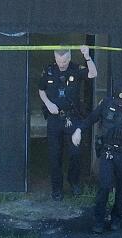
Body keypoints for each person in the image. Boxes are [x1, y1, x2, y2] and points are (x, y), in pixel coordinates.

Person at [71, 84, 122, 233]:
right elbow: (91, 119)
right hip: (108, 152)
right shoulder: (105, 104)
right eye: (118, 102)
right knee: (104, 186)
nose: (120, 105)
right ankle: (99, 220)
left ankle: (116, 219)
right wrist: (78, 130)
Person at [37, 46, 97, 201]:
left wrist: (87, 57)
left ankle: (74, 182)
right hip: (54, 119)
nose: (62, 63)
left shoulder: (76, 69)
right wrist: (48, 104)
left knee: (75, 154)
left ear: (69, 58)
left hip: (73, 118)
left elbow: (93, 73)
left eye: (64, 60)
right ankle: (56, 188)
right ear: (55, 57)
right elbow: (41, 89)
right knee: (54, 155)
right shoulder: (49, 70)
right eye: (59, 60)